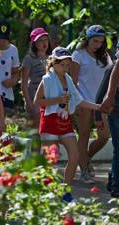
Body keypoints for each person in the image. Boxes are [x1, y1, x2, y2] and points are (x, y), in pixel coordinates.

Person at [34, 47, 100, 189]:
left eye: (67, 65)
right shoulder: (46, 80)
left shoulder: (68, 80)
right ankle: (46, 193)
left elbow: (79, 100)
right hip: (49, 123)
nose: (65, 68)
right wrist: (57, 100)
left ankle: (66, 189)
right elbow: (37, 102)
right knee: (50, 160)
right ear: (53, 63)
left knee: (75, 155)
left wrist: (98, 107)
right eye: (62, 64)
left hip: (64, 122)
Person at [70, 25, 112, 183]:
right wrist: (78, 102)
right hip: (84, 103)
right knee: (84, 135)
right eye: (95, 41)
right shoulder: (78, 55)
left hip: (101, 104)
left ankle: (85, 158)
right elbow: (73, 81)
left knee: (104, 136)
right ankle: (84, 170)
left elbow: (110, 79)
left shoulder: (105, 56)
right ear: (87, 39)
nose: (98, 44)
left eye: (101, 42)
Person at [96, 41, 119, 198]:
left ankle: (113, 177)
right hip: (116, 109)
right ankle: (116, 185)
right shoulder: (113, 68)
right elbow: (101, 93)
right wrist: (98, 116)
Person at [22, 28, 50, 129]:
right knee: (36, 130)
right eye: (40, 40)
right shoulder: (29, 59)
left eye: (46, 39)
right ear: (34, 43)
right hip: (33, 97)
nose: (44, 43)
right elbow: (24, 83)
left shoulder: (50, 58)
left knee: (46, 129)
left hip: (47, 98)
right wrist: (28, 102)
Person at [0, 19, 21, 110]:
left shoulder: (13, 50)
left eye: (4, 38)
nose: (1, 41)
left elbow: (16, 71)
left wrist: (13, 81)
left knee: (1, 121)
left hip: (5, 93)